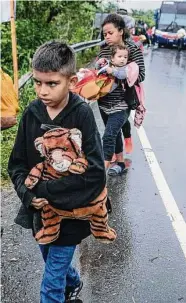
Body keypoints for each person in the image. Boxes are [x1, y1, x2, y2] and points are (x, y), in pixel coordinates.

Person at [8, 41, 107, 303]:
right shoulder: (32, 113)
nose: (42, 90)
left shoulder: (82, 115)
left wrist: (45, 191)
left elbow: (95, 173)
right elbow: (17, 164)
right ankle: (73, 282)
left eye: (52, 83)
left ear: (71, 81)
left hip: (72, 213)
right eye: (38, 83)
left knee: (50, 286)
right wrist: (29, 197)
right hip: (41, 212)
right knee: (49, 257)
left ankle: (60, 291)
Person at [97, 13, 145, 175]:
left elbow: (141, 74)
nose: (107, 37)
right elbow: (99, 70)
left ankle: (102, 171)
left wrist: (119, 73)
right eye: (105, 34)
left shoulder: (132, 49)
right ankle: (119, 163)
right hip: (103, 101)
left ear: (121, 31)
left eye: (110, 33)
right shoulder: (104, 49)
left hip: (123, 101)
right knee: (114, 133)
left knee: (109, 134)